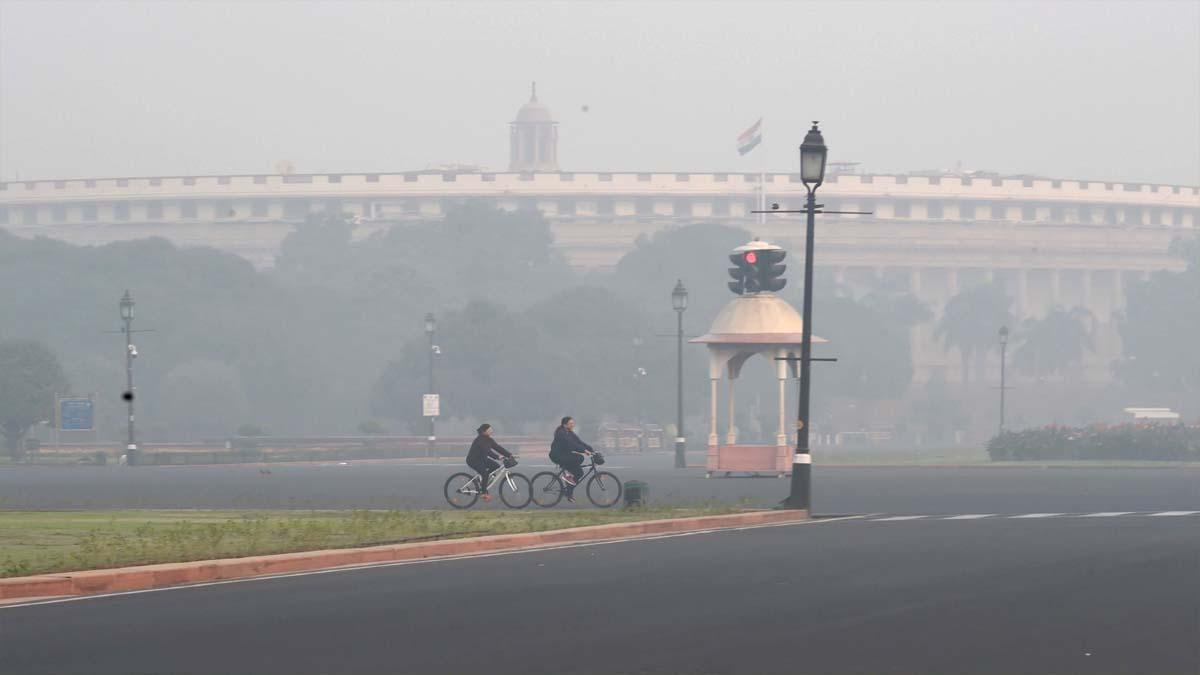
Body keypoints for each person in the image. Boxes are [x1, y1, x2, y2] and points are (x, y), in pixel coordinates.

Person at [466, 423, 513, 502]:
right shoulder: (479, 440)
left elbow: (498, 448)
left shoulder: (489, 440)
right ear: (484, 431)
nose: (492, 431)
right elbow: (487, 451)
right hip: (473, 460)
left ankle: (482, 480)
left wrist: (509, 455)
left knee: (496, 466)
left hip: (482, 459)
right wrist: (497, 457)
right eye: (490, 429)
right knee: (485, 474)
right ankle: (483, 492)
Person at [550, 416, 593, 502]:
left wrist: (591, 449)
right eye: (571, 423)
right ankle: (568, 476)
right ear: (565, 424)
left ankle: (568, 492)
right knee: (579, 458)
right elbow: (572, 445)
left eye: (573, 423)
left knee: (579, 473)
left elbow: (579, 442)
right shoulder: (561, 433)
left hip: (565, 455)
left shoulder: (569, 432)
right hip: (557, 456)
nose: (573, 425)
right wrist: (584, 451)